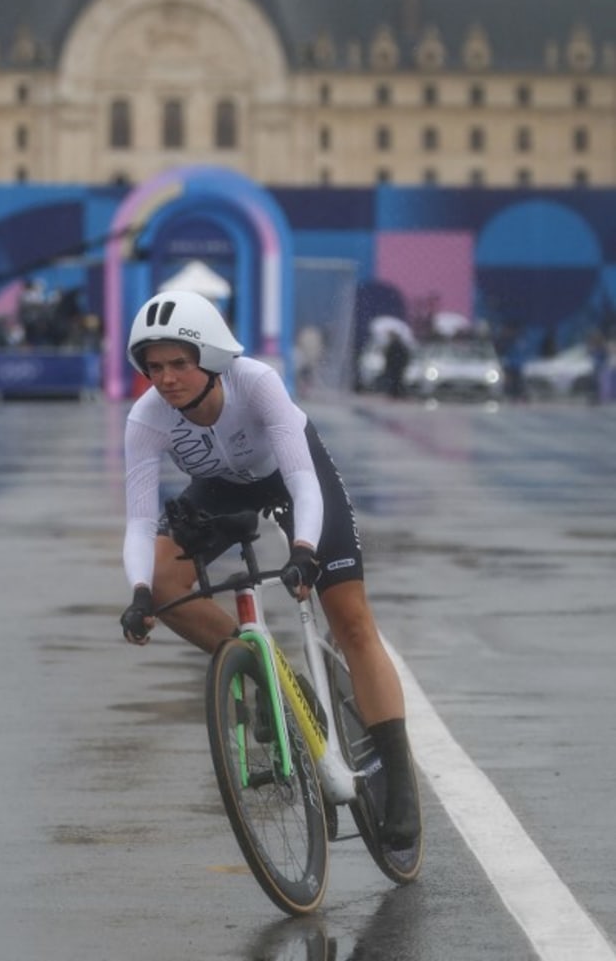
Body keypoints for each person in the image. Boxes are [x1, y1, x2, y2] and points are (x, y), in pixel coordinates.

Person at [119, 288, 420, 850]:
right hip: (220, 490)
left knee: (349, 616)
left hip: (291, 474)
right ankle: (278, 677)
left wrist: (304, 548)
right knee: (165, 586)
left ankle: (399, 778)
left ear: (210, 359)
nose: (165, 379)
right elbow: (139, 523)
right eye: (154, 367)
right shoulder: (147, 418)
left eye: (179, 364)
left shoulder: (254, 382)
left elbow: (304, 482)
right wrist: (139, 593)